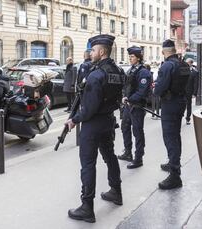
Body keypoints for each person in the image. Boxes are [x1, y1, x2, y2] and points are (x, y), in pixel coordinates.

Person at [65, 34, 124, 223]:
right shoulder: (117, 71)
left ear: (101, 51)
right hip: (108, 121)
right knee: (110, 156)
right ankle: (116, 191)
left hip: (93, 124)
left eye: (93, 50)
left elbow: (89, 108)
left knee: (88, 164)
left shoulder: (96, 74)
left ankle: (87, 207)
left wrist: (74, 120)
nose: (91, 53)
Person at [154, 40, 190, 190]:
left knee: (170, 137)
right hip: (180, 101)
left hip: (170, 103)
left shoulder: (167, 65)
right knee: (176, 135)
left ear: (164, 52)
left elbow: (159, 88)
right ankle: (173, 162)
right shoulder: (184, 64)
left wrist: (156, 91)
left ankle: (175, 174)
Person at [117, 46, 152, 169]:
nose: (130, 58)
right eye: (130, 56)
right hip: (128, 106)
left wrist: (129, 99)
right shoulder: (131, 70)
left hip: (137, 106)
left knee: (137, 132)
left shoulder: (143, 72)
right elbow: (127, 87)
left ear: (138, 58)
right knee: (125, 127)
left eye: (132, 57)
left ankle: (138, 158)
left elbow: (142, 92)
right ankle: (128, 152)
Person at [185, 58, 199, 124]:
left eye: (187, 63)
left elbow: (196, 83)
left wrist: (194, 93)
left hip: (189, 91)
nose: (186, 64)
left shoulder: (195, 72)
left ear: (191, 63)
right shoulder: (182, 70)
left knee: (188, 105)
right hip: (181, 91)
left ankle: (188, 118)